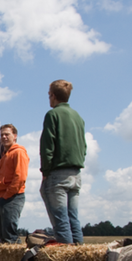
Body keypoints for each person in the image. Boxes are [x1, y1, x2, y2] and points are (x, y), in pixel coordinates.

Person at [39, 80, 87, 245]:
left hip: (57, 174)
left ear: (52, 96)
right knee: (73, 218)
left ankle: (67, 260)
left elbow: (47, 147)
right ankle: (80, 255)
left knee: (61, 220)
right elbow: (84, 146)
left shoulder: (52, 115)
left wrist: (45, 172)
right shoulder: (78, 117)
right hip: (76, 174)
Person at [0, 124, 28, 244]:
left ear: (15, 136)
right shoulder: (5, 155)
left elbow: (20, 177)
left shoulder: (18, 152)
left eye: (7, 134)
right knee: (2, 236)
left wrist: (8, 194)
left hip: (12, 196)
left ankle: (16, 260)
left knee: (9, 236)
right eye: (2, 135)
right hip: (1, 196)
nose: (4, 137)